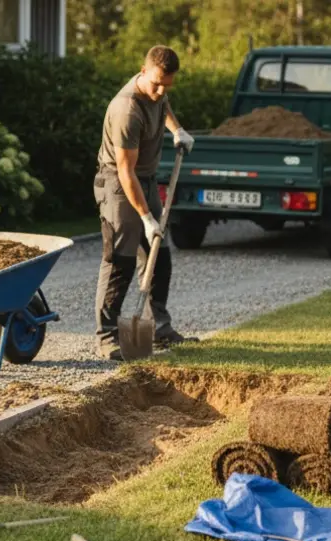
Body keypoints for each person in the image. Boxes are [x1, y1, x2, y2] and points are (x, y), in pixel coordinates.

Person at [93, 45, 198, 361]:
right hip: (118, 184)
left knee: (159, 256)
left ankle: (158, 328)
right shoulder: (127, 110)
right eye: (156, 83)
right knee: (120, 259)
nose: (161, 90)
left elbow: (163, 104)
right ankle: (107, 337)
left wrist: (177, 129)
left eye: (168, 84)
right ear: (143, 71)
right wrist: (146, 217)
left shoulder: (158, 91)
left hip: (146, 180)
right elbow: (125, 172)